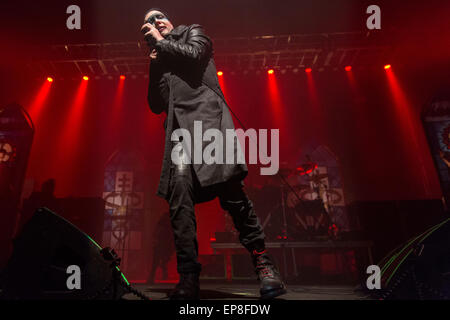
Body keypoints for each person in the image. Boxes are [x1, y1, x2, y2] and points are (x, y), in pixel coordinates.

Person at [141, 8, 286, 300]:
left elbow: (194, 56)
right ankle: (188, 276)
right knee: (179, 199)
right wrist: (155, 64)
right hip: (179, 134)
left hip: (208, 126)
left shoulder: (194, 32)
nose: (155, 22)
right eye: (149, 22)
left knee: (234, 197)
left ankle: (264, 264)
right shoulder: (161, 56)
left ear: (170, 21)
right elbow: (156, 104)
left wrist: (159, 42)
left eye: (159, 16)